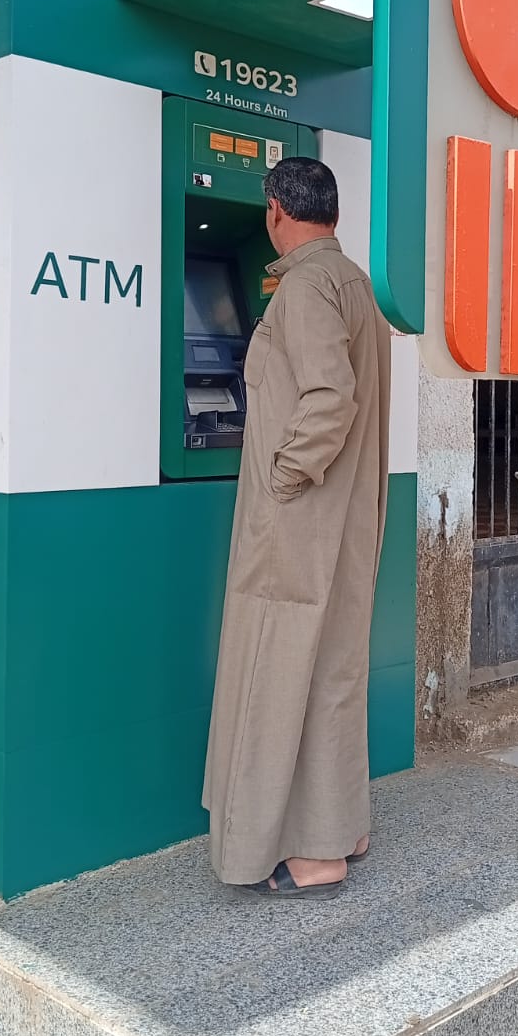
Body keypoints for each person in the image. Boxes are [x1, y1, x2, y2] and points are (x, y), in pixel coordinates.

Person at [202, 156, 392, 896]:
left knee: (281, 673)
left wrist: (283, 478)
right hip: (342, 520)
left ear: (277, 211)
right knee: (331, 671)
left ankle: (313, 854)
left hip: (301, 522)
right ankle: (342, 827)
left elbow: (328, 398)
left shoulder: (307, 285)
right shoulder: (355, 283)